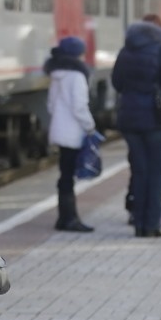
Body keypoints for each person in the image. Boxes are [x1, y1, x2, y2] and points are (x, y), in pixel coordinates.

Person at [112, 15, 161, 237]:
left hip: (130, 120)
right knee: (156, 174)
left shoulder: (125, 51)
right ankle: (152, 225)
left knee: (139, 171)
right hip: (158, 120)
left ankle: (138, 224)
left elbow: (117, 83)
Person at [44, 36, 98, 232]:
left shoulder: (57, 74)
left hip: (59, 129)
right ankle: (69, 219)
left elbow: (50, 105)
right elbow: (79, 107)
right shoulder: (77, 76)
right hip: (73, 132)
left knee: (64, 174)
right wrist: (90, 127)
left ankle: (64, 217)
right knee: (68, 176)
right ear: (78, 55)